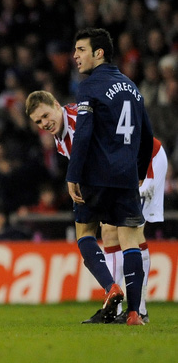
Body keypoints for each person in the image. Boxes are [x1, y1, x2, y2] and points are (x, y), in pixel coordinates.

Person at [26, 89, 164, 324]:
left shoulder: (80, 122)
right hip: (114, 171)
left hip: (144, 161)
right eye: (38, 121)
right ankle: (113, 301)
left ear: (57, 105)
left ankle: (139, 310)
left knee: (131, 231)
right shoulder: (61, 132)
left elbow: (114, 148)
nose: (44, 124)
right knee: (109, 233)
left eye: (46, 116)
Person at [65, 28, 153, 326]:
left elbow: (84, 132)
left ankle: (110, 287)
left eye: (80, 50)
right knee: (131, 241)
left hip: (97, 175)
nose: (75, 56)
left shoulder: (89, 86)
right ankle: (133, 313)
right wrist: (138, 173)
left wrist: (73, 174)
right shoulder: (133, 88)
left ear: (98, 53)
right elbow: (146, 136)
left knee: (85, 232)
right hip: (126, 177)